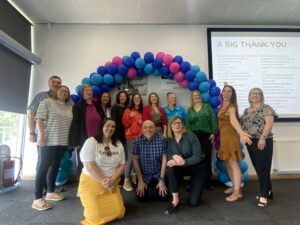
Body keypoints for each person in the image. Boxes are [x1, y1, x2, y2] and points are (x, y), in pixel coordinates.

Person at [32, 85, 73, 211]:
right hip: (48, 141)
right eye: (62, 90)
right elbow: (39, 119)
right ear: (56, 92)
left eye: (66, 91)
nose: (64, 92)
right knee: (43, 167)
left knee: (55, 166)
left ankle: (50, 192)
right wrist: (42, 134)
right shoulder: (47, 102)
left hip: (62, 142)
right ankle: (37, 198)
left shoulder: (69, 107)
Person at [79, 118, 125, 225]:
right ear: (101, 127)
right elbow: (89, 165)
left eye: (113, 126)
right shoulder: (91, 141)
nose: (110, 128)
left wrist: (112, 180)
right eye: (108, 125)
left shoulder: (118, 144)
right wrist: (107, 183)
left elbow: (122, 165)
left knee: (119, 212)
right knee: (95, 219)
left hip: (112, 183)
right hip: (92, 182)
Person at [240, 88, 277, 207]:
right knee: (259, 167)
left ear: (261, 96)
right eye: (252, 93)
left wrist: (263, 138)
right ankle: (268, 191)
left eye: (258, 93)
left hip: (263, 140)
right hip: (250, 142)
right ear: (249, 96)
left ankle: (264, 196)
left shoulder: (266, 108)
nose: (255, 95)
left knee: (263, 168)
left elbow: (269, 123)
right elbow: (242, 125)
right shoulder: (246, 110)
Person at [165, 116, 207, 215]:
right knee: (170, 169)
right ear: (170, 125)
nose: (177, 125)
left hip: (197, 167)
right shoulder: (169, 139)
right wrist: (175, 158)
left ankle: (193, 188)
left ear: (183, 124)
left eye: (179, 122)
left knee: (193, 202)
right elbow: (169, 156)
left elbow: (198, 156)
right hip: (180, 167)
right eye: (174, 123)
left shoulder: (191, 136)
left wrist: (184, 162)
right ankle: (176, 201)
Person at [218, 85, 252, 202]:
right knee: (227, 163)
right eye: (225, 91)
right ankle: (234, 186)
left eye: (229, 92)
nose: (226, 93)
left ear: (232, 95)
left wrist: (241, 132)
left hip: (231, 139)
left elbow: (233, 119)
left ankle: (237, 192)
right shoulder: (222, 106)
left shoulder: (231, 107)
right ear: (221, 93)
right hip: (224, 139)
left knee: (233, 164)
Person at [69, 84, 104, 177]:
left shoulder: (97, 105)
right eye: (87, 91)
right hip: (84, 139)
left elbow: (103, 121)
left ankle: (96, 181)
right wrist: (75, 141)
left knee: (97, 161)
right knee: (84, 163)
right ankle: (82, 184)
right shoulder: (78, 106)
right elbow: (75, 123)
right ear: (82, 93)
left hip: (98, 139)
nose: (89, 92)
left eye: (91, 91)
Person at [27, 76, 62, 168]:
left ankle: (50, 183)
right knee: (43, 163)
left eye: (58, 82)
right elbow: (31, 114)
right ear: (48, 84)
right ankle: (40, 183)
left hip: (59, 137)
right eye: (53, 82)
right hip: (44, 136)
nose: (56, 84)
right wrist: (31, 133)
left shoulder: (64, 98)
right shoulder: (40, 96)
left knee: (55, 163)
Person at [186, 90, 217, 190]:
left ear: (200, 96)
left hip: (206, 136)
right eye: (194, 95)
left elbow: (213, 120)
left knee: (206, 159)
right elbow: (188, 124)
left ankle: (207, 182)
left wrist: (213, 133)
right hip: (193, 136)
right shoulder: (190, 110)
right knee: (194, 159)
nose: (196, 97)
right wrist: (188, 137)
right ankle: (194, 182)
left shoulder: (207, 107)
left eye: (197, 95)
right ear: (192, 97)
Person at [132, 120, 168, 202]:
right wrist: (140, 180)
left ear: (155, 128)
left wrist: (162, 179)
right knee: (141, 198)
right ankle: (150, 186)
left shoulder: (162, 140)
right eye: (145, 127)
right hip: (144, 175)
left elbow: (164, 159)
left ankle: (157, 185)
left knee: (164, 197)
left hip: (158, 174)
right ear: (142, 129)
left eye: (151, 127)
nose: (148, 129)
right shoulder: (137, 141)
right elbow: (135, 160)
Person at [122, 93, 143, 191]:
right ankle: (126, 180)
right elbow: (125, 124)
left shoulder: (142, 111)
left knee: (137, 157)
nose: (137, 99)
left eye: (138, 98)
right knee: (130, 157)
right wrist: (130, 117)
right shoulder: (128, 110)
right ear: (132, 100)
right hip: (131, 137)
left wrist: (141, 123)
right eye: (135, 98)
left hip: (140, 137)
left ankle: (134, 175)